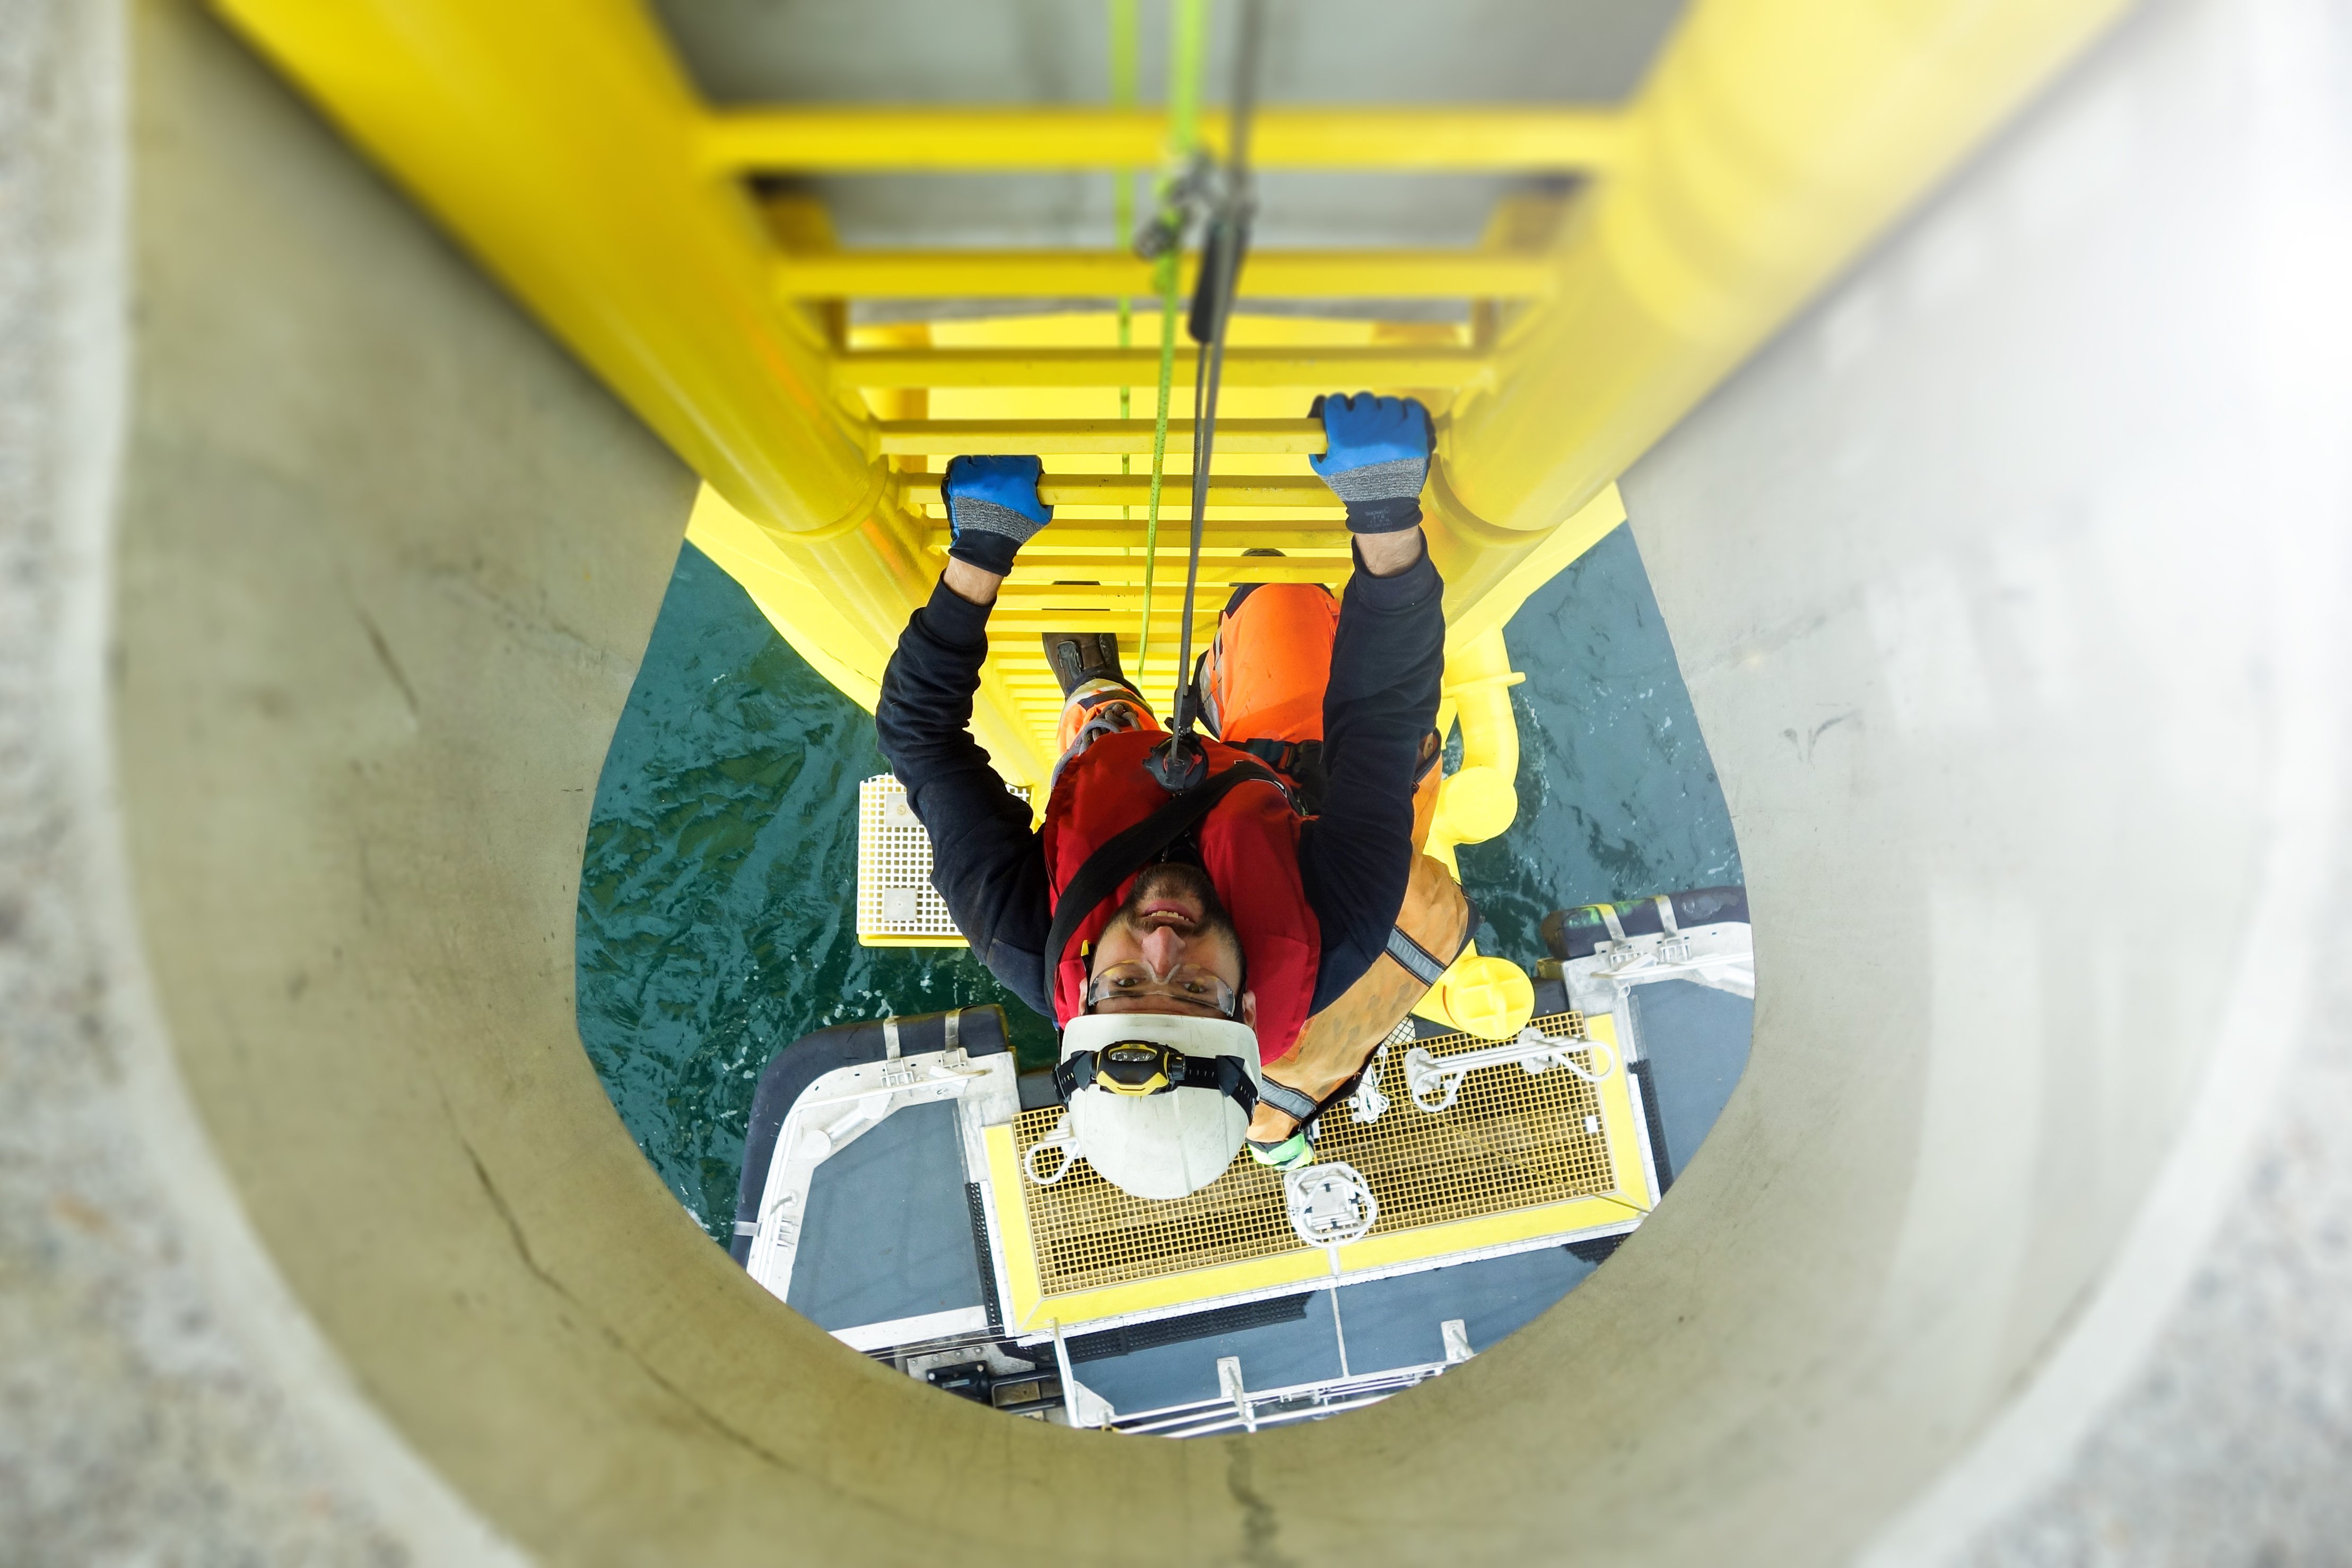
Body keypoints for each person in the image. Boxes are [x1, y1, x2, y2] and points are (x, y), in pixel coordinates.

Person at [875, 393, 1474, 1200]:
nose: (1162, 942)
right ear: (1249, 1005)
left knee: (1099, 729)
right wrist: (1385, 517)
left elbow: (919, 737)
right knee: (1278, 586)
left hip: (1119, 790)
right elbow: (1381, 715)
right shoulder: (1338, 929)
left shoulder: (1018, 932)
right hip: (1282, 794)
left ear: (1082, 988)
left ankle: (1098, 694)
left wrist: (978, 556)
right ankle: (1187, 670)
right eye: (1195, 989)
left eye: (1126, 984)